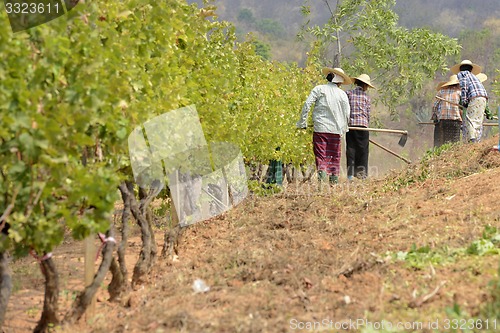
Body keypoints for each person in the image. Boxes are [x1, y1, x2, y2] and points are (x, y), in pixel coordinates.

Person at [296, 67, 352, 184]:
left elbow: (307, 104)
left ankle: (321, 184)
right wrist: (344, 128)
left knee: (321, 156)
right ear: (339, 81)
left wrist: (302, 122)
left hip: (320, 129)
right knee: (334, 157)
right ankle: (333, 184)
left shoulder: (319, 89)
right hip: (336, 131)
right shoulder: (342, 94)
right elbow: (347, 113)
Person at [346, 74, 376, 180]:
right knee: (363, 151)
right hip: (363, 126)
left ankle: (350, 176)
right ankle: (361, 175)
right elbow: (367, 114)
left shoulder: (348, 94)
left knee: (351, 149)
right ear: (365, 86)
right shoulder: (366, 98)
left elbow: (346, 109)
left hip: (351, 127)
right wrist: (366, 123)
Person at [450, 60, 488, 143]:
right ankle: (476, 140)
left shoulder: (462, 74)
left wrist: (464, 101)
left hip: (474, 97)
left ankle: (472, 139)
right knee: (478, 119)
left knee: (470, 119)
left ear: (461, 69)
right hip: (483, 97)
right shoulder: (473, 77)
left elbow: (464, 87)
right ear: (471, 69)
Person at [432, 75, 462, 147]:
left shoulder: (441, 91)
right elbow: (462, 108)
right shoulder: (460, 93)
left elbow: (434, 106)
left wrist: (435, 116)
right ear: (458, 84)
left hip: (443, 120)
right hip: (455, 121)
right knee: (454, 143)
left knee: (442, 141)